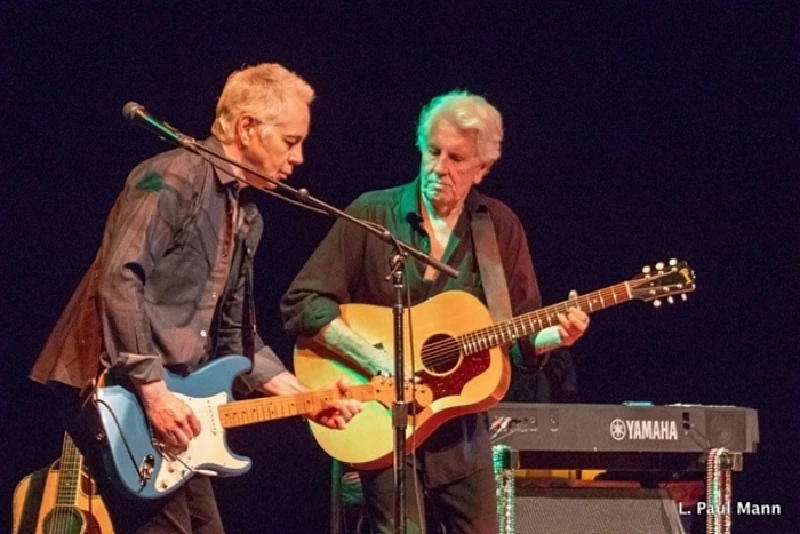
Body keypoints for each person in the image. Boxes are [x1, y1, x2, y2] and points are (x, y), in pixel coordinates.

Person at [30, 62, 362, 534]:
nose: (300, 158)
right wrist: (154, 391)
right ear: (246, 127)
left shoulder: (247, 216)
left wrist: (304, 396)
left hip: (167, 396)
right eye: (290, 141)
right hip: (111, 386)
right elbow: (118, 279)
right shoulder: (173, 177)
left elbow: (234, 341)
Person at [281, 90, 590, 534]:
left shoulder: (498, 227)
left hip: (460, 434)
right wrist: (380, 362)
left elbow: (519, 338)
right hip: (381, 424)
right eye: (432, 151)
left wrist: (556, 336)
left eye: (457, 159)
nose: (439, 167)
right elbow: (303, 304)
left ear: (482, 168)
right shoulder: (373, 214)